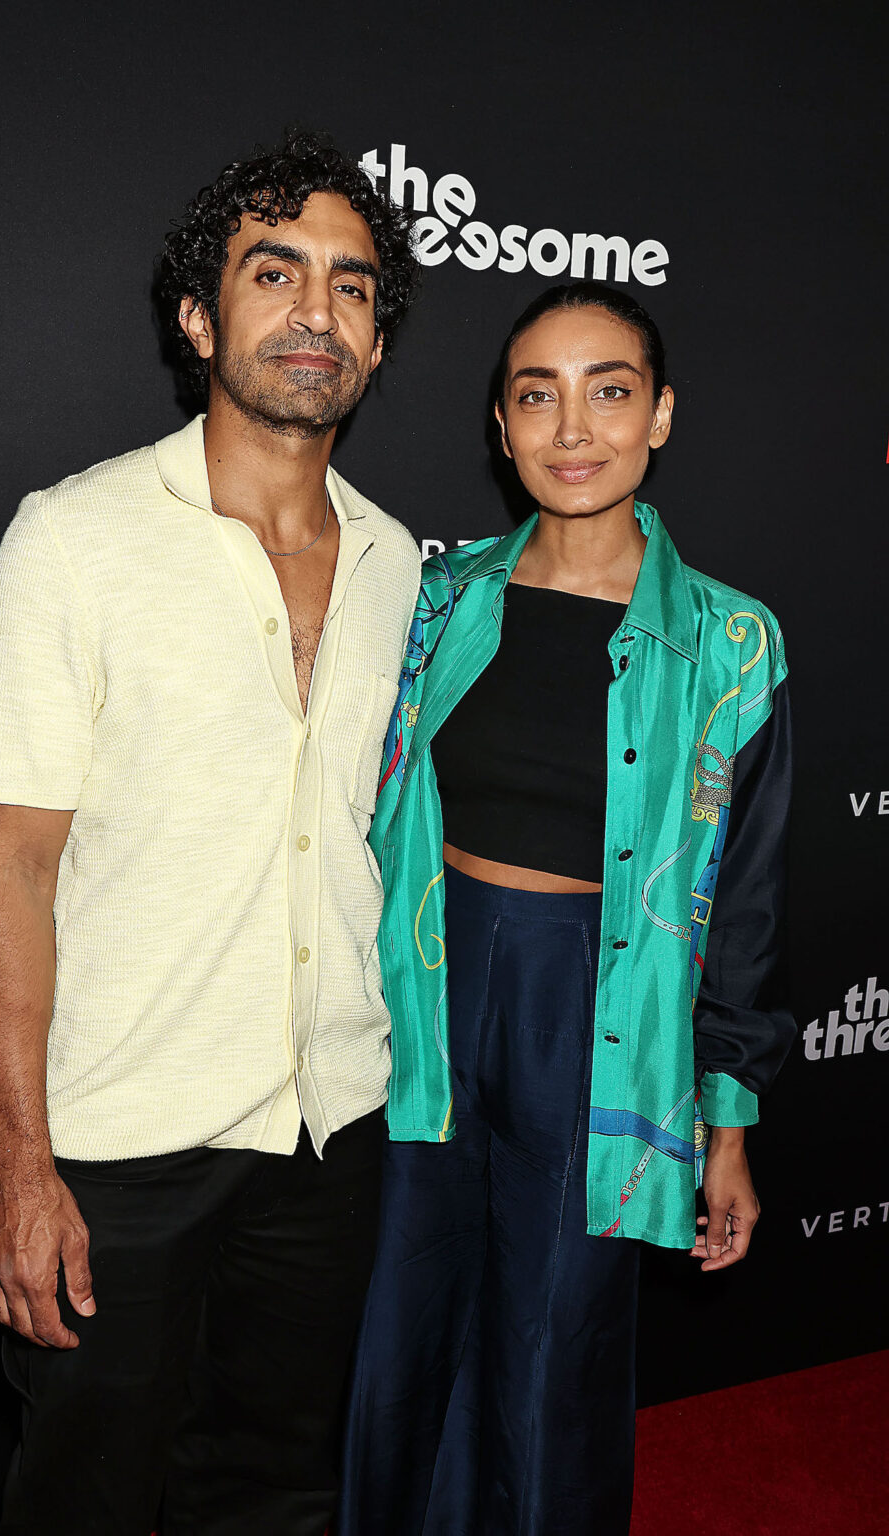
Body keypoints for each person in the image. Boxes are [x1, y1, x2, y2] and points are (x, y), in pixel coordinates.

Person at [0, 129, 420, 1536]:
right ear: (201, 316)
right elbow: (8, 873)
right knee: (86, 1495)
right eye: (274, 274)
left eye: (351, 287)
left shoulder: (403, 562)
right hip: (118, 1137)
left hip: (329, 1124)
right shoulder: (78, 536)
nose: (314, 312)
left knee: (278, 1494)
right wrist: (20, 1161)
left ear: (378, 344)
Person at [338, 281, 795, 1536]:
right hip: (426, 999)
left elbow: (741, 908)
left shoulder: (731, 644)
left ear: (659, 417)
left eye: (610, 390)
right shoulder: (442, 599)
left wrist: (728, 1123)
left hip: (600, 1016)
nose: (572, 425)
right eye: (537, 394)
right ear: (499, 425)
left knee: (556, 1341)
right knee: (405, 1322)